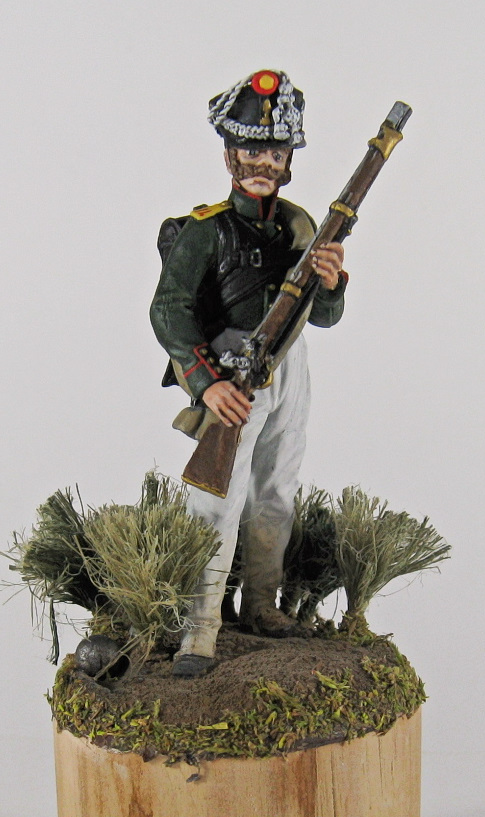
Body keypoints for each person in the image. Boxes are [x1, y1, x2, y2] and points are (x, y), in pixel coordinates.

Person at [150, 70, 347, 677]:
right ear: (230, 155)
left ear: (288, 160)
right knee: (214, 503)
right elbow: (169, 309)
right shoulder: (206, 229)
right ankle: (199, 628)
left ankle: (262, 604)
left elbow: (326, 316)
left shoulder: (301, 228)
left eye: (275, 153)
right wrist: (206, 383)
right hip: (232, 374)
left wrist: (332, 280)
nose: (263, 163)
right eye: (252, 151)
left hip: (289, 368)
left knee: (277, 489)